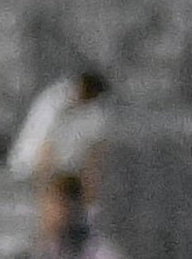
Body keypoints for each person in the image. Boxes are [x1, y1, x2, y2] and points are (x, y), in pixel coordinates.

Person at [8, 70, 114, 227]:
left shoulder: (94, 113)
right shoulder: (53, 102)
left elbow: (95, 153)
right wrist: (46, 182)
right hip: (34, 164)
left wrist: (89, 189)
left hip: (67, 170)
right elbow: (44, 148)